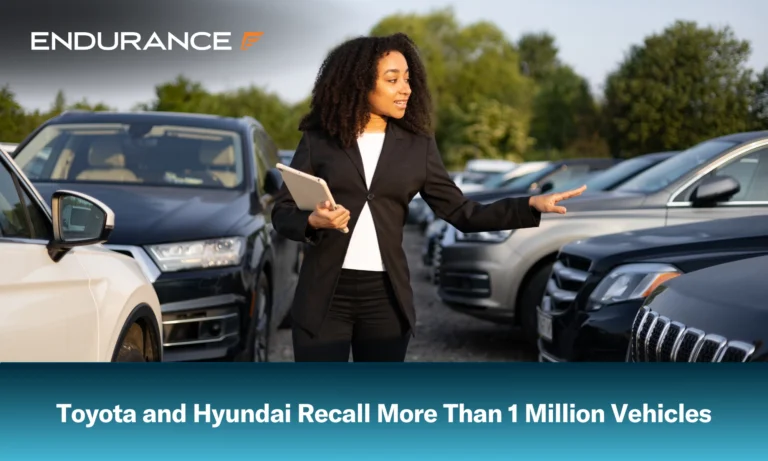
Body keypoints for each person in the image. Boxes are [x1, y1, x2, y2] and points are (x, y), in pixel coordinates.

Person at [271, 33, 586, 362]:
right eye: (392, 79)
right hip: (323, 296)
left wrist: (528, 206)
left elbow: (462, 212)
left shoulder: (418, 145)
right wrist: (312, 221)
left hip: (385, 298)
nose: (405, 89)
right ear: (359, 83)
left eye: (407, 79)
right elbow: (282, 212)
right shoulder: (320, 140)